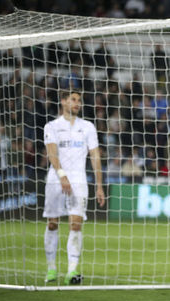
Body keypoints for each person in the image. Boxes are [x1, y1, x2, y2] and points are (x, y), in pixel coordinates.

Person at [43, 89, 105, 285]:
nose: (77, 103)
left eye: (79, 100)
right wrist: (62, 175)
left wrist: (99, 186)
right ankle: (51, 269)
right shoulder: (52, 126)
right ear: (63, 102)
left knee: (76, 223)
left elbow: (95, 156)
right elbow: (52, 154)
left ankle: (72, 270)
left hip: (79, 179)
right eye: (73, 99)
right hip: (56, 178)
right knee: (52, 222)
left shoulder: (87, 127)